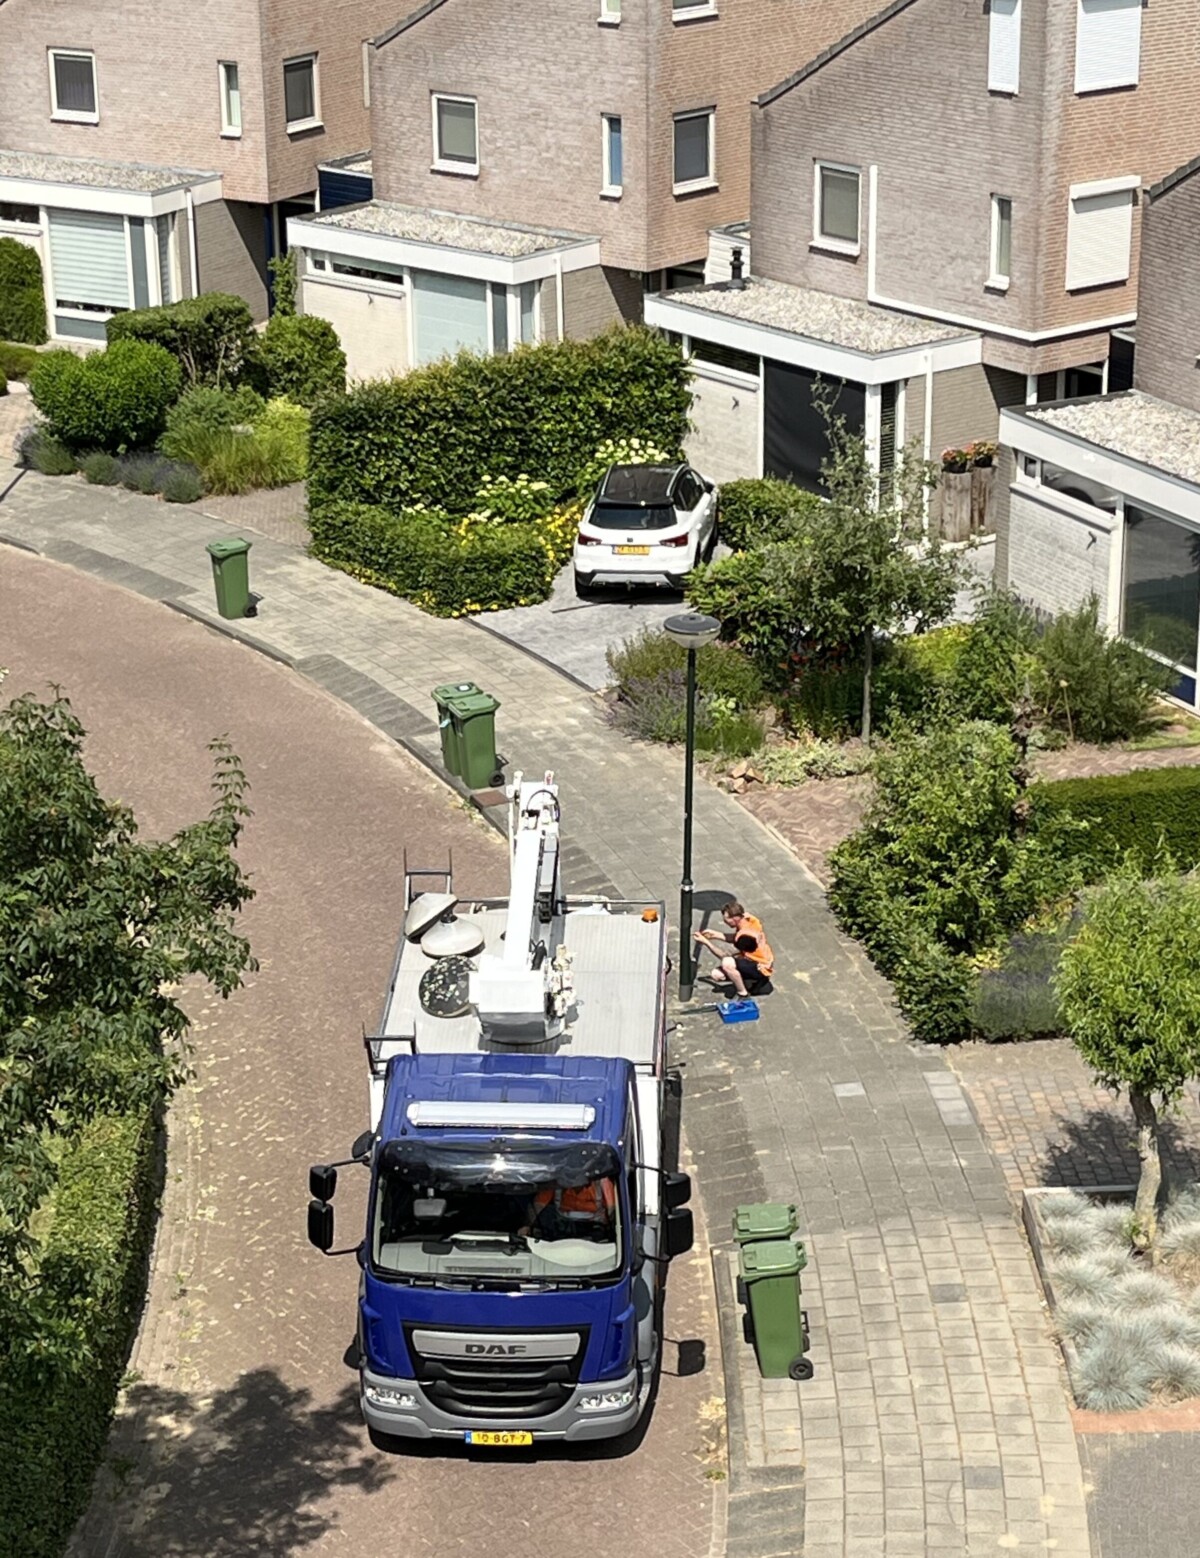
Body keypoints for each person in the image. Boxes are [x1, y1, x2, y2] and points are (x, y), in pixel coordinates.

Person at [694, 900, 774, 998]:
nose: (725, 922)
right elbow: (735, 937)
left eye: (726, 920)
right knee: (717, 974)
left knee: (727, 963)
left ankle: (743, 993)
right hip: (761, 962)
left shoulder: (744, 937)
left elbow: (725, 956)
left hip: (760, 967)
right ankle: (747, 981)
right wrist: (715, 934)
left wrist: (706, 942)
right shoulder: (749, 920)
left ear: (735, 918)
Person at [524, 1177, 617, 1241]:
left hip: (594, 1230)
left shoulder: (603, 1183)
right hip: (562, 1230)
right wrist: (528, 1226)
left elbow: (612, 1210)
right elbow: (538, 1205)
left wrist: (611, 1230)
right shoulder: (556, 1181)